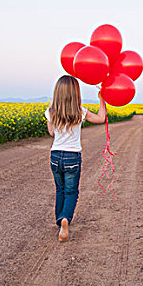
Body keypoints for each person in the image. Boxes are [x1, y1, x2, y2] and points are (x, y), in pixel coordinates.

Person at [45, 75, 106, 242]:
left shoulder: (50, 111)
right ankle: (65, 218)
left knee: (60, 189)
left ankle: (60, 221)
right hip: (73, 156)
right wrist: (102, 100)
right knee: (71, 191)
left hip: (55, 155)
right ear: (76, 92)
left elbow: (52, 133)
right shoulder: (80, 111)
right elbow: (101, 118)